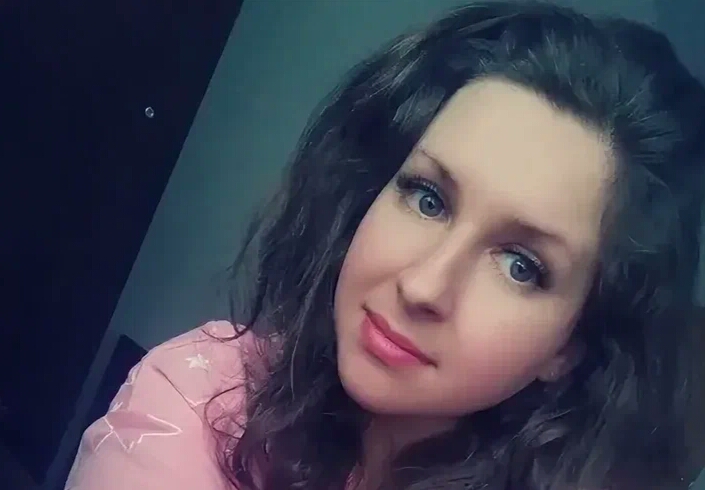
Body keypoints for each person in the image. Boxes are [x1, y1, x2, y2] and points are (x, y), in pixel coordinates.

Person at [64, 2, 705, 489]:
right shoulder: (193, 408)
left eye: (520, 266)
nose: (424, 285)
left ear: (569, 346)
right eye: (428, 198)